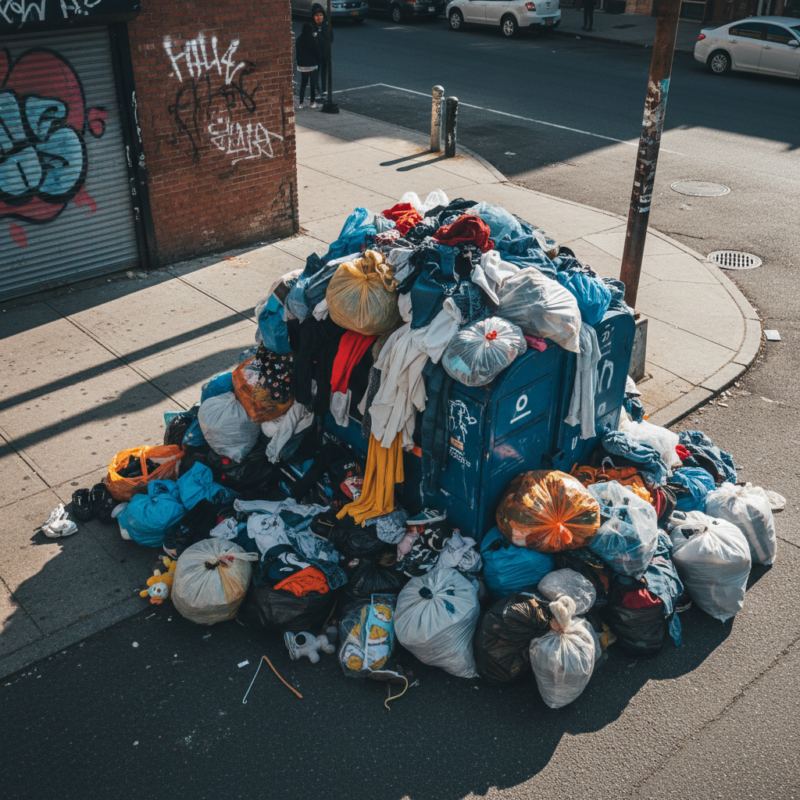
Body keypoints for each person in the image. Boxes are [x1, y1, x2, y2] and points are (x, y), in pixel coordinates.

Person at [295, 23, 318, 109]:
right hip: (312, 65)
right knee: (313, 84)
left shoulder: (299, 39)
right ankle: (312, 102)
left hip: (302, 65)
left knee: (303, 83)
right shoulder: (313, 40)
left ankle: (301, 103)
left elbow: (297, 51)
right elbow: (316, 51)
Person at [312, 9, 333, 98]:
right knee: (316, 72)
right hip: (315, 54)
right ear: (314, 17)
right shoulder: (312, 27)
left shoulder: (327, 26)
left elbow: (331, 39)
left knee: (324, 71)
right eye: (317, 15)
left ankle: (324, 90)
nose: (319, 17)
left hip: (325, 53)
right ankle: (316, 90)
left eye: (321, 15)